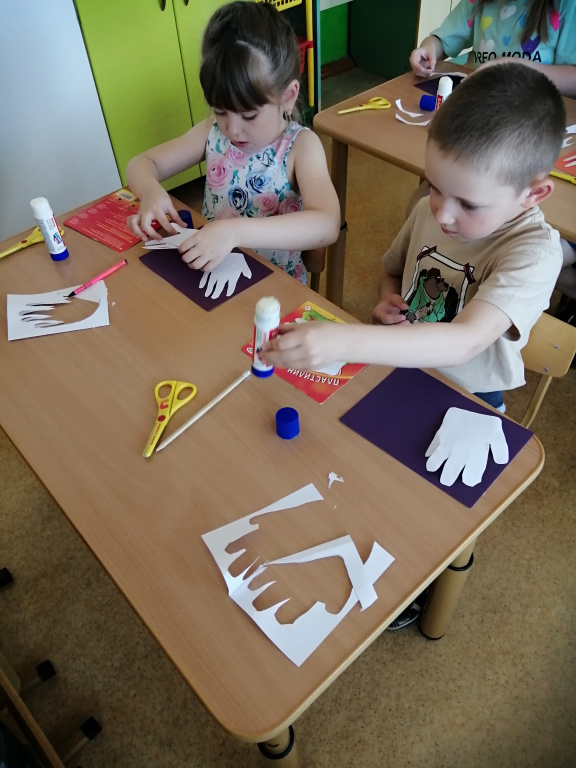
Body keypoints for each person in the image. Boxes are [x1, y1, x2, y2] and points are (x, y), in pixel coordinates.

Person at [263, 63, 565, 418]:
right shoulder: (428, 211)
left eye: (468, 204)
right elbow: (393, 272)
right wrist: (387, 299)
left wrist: (342, 341)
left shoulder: (535, 254)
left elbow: (464, 342)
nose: (442, 214)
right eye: (433, 185)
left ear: (533, 194)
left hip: (468, 399)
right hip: (399, 369)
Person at [126, 1, 339, 284]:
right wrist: (151, 192)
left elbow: (327, 223)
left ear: (288, 97)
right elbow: (141, 163)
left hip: (275, 289)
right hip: (214, 274)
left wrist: (235, 232)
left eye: (249, 115)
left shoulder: (301, 147)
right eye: (220, 110)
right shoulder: (213, 132)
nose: (232, 129)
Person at [410, 0, 576, 97]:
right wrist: (428, 49)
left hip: (537, 117)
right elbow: (441, 40)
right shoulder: (476, 3)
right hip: (483, 105)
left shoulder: (565, 5)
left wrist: (516, 69)